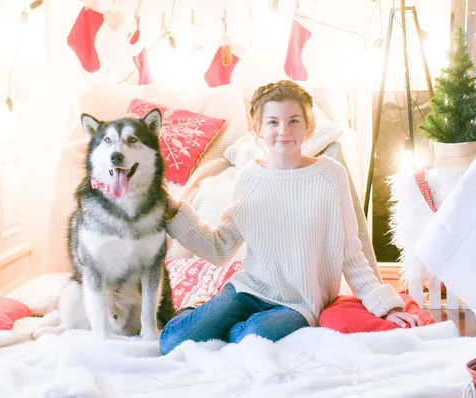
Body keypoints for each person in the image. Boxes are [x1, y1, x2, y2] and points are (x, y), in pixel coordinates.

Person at [160, 80, 421, 355]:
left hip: (299, 302)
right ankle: (202, 309)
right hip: (249, 288)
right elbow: (221, 247)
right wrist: (176, 210)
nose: (283, 131)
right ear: (257, 128)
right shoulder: (249, 177)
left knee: (251, 341)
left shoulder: (330, 175)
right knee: (171, 342)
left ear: (308, 126)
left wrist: (385, 305)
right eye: (273, 122)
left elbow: (350, 252)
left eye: (293, 121)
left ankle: (217, 321)